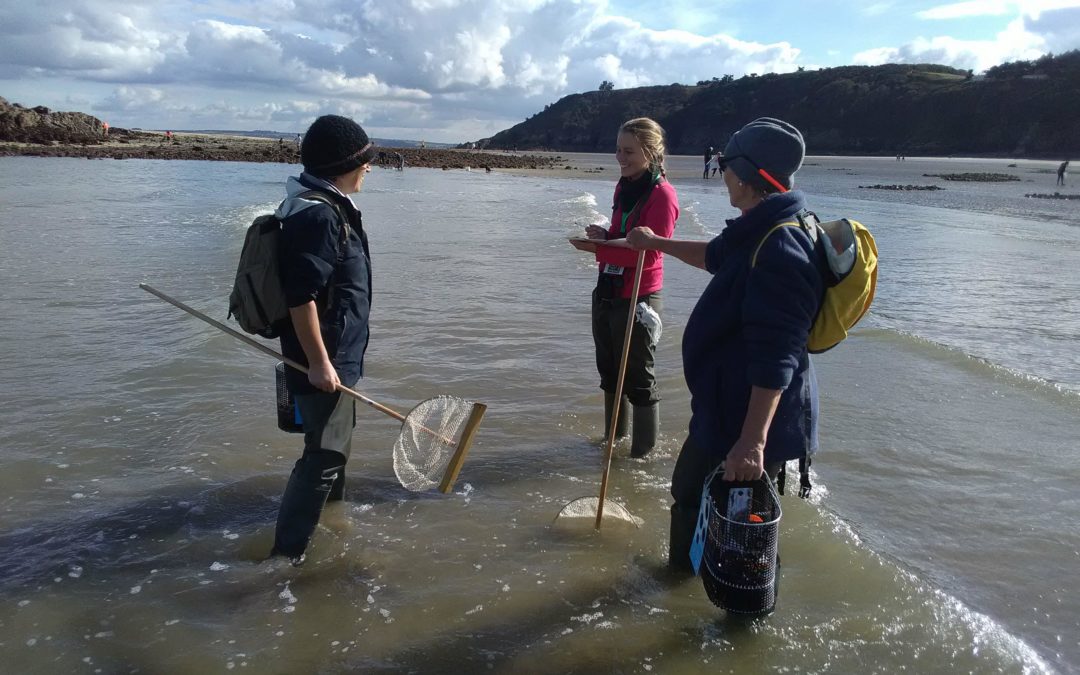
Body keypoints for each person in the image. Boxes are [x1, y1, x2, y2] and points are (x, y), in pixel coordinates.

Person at [626, 118, 822, 572]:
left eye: (725, 165)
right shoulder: (761, 226)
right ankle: (686, 590)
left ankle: (699, 603)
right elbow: (716, 256)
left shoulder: (782, 246)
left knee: (732, 524)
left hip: (747, 419)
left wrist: (753, 442)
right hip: (725, 408)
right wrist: (656, 242)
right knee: (697, 501)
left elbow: (778, 357)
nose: (722, 174)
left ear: (748, 175)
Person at [270, 114, 376, 564]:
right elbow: (301, 296)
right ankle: (283, 558)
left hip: (335, 355)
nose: (370, 168)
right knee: (323, 455)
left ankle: (334, 522)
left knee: (336, 447)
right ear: (345, 164)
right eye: (365, 160)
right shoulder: (319, 215)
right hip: (323, 358)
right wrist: (318, 362)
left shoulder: (322, 205)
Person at [570, 118, 679, 458]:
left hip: (639, 295)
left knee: (638, 376)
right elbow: (622, 232)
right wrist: (604, 236)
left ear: (651, 151)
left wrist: (598, 249)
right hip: (608, 286)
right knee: (609, 369)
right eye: (618, 149)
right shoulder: (623, 185)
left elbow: (652, 251)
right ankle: (612, 440)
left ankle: (641, 457)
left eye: (629, 151)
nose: (621, 157)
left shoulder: (662, 194)